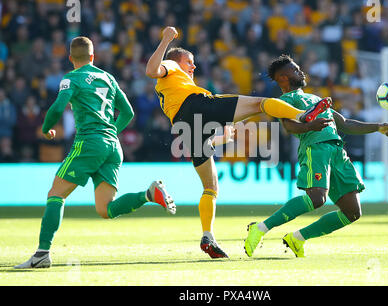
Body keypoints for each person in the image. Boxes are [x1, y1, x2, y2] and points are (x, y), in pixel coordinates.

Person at [146, 27, 332, 259]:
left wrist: (220, 137)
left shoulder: (169, 89)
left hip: (185, 128)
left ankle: (207, 235)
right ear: (175, 61)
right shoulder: (171, 66)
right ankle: (302, 114)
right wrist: (165, 39)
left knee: (210, 188)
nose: (193, 67)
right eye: (189, 62)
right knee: (261, 104)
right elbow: (152, 69)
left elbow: (196, 127)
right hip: (197, 105)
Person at [15, 37, 176, 269]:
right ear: (93, 57)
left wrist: (44, 128)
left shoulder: (71, 78)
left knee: (56, 194)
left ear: (71, 58)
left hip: (89, 142)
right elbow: (128, 112)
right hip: (112, 145)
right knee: (105, 209)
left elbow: (58, 107)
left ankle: (42, 254)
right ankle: (148, 195)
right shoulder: (108, 78)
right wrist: (110, 132)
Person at [244, 55, 388, 258]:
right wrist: (310, 126)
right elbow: (289, 127)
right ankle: (261, 228)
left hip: (337, 152)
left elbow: (344, 123)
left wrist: (377, 128)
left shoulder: (315, 98)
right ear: (283, 77)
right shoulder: (284, 100)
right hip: (315, 148)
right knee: (317, 198)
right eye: (295, 70)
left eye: (299, 68)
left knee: (352, 212)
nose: (301, 72)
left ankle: (297, 238)